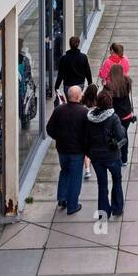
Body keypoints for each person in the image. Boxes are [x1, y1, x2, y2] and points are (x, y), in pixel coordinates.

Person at [45, 85, 88, 215]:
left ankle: (62, 198)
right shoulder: (84, 112)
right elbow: (88, 134)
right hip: (77, 151)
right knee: (75, 177)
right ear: (79, 96)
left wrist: (58, 138)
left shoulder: (59, 110)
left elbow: (49, 129)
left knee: (65, 172)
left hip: (62, 149)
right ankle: (72, 205)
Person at [86, 87, 127, 219]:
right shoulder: (113, 118)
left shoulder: (90, 118)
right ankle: (117, 207)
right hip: (112, 155)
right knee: (117, 180)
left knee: (102, 185)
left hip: (96, 157)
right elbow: (121, 135)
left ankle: (103, 212)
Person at [108, 63, 136, 165]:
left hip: (116, 115)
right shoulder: (127, 81)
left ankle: (118, 156)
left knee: (116, 135)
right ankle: (124, 158)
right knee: (124, 135)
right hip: (127, 114)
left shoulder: (110, 85)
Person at [81, 83, 99, 181]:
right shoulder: (97, 102)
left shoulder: (82, 101)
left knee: (86, 151)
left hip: (85, 128)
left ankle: (87, 169)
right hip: (93, 128)